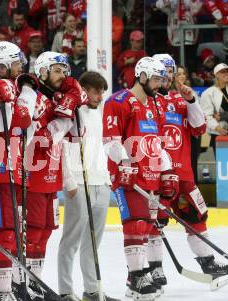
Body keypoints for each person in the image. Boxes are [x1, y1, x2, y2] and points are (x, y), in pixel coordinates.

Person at [149, 53, 228, 291]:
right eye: (162, 71)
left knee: (196, 217)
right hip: (156, 175)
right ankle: (155, 268)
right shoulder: (144, 102)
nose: (166, 76)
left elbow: (200, 127)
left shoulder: (180, 100)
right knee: (155, 222)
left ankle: (207, 261)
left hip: (183, 175)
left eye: (170, 71)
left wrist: (192, 101)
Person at [103, 57, 172, 301]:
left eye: (161, 80)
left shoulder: (155, 104)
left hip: (151, 175)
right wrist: (124, 164)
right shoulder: (118, 101)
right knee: (134, 225)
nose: (158, 84)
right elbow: (111, 141)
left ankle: (135, 281)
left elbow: (158, 142)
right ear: (141, 76)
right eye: (155, 79)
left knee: (146, 227)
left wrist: (167, 169)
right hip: (129, 176)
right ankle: (137, 275)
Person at [21, 51, 88, 300]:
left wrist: (71, 104)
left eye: (65, 70)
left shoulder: (57, 99)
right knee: (34, 231)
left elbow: (75, 136)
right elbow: (37, 139)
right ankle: (25, 281)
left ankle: (35, 281)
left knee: (46, 231)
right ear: (43, 72)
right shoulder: (36, 99)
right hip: (33, 175)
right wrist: (64, 116)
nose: (63, 75)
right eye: (57, 70)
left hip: (51, 176)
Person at [0, 41, 38, 300]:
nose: (21, 67)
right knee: (2, 233)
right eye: (16, 63)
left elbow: (26, 128)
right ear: (1, 67)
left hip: (11, 169)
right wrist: (28, 92)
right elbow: (20, 120)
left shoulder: (8, 87)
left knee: (12, 232)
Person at [57, 71, 119, 301]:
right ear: (83, 90)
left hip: (100, 182)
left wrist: (110, 175)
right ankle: (65, 290)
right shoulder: (73, 114)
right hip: (78, 183)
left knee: (93, 242)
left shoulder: (101, 114)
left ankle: (92, 290)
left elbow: (106, 146)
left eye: (101, 91)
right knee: (71, 241)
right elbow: (61, 148)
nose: (99, 96)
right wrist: (68, 180)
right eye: (95, 91)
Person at [200, 62, 228, 157]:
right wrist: (218, 129)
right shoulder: (208, 93)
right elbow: (206, 115)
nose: (226, 73)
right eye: (223, 72)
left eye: (227, 71)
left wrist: (223, 116)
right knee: (224, 167)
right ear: (216, 75)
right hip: (220, 134)